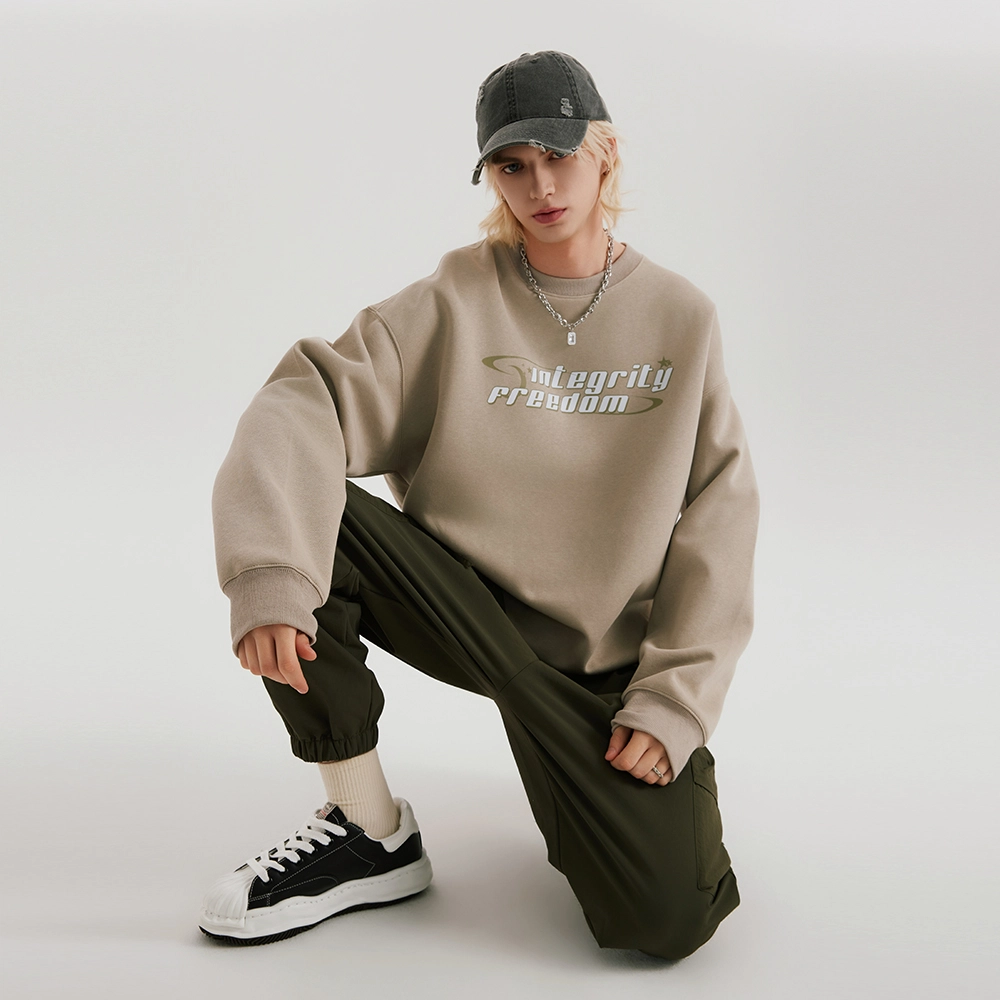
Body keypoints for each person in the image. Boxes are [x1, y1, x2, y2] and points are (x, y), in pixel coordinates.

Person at [199, 50, 759, 960]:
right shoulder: (453, 299)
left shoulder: (680, 317)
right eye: (512, 164)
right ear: (491, 177)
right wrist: (268, 575)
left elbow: (720, 515)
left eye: (559, 155)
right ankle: (368, 828)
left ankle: (571, 776)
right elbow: (304, 399)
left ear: (606, 153)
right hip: (465, 614)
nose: (541, 186)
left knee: (669, 921)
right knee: (305, 519)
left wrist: (675, 701)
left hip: (601, 671)